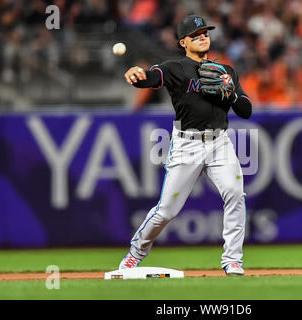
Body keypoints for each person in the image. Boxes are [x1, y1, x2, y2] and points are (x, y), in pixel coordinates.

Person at [120, 15, 252, 276]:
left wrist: (232, 92)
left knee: (236, 195)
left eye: (205, 32)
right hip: (186, 145)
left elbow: (246, 110)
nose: (202, 36)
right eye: (195, 34)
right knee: (166, 211)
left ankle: (233, 260)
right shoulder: (174, 68)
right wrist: (138, 75)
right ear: (183, 42)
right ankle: (135, 254)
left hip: (219, 143)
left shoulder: (226, 72)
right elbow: (151, 78)